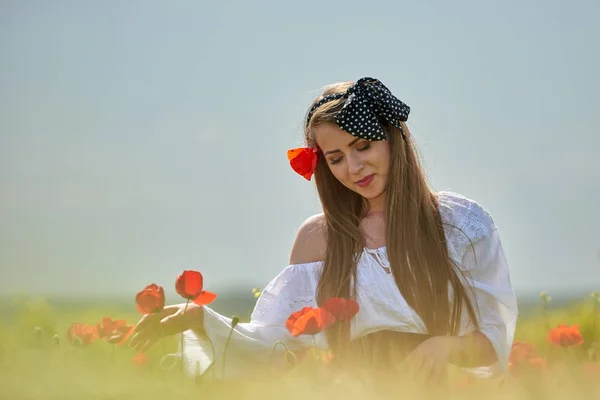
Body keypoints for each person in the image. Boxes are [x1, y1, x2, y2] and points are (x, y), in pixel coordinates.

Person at [130, 77, 518, 387]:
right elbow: (277, 347)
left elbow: (493, 342)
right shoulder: (318, 239)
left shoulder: (459, 224)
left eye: (362, 146)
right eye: (336, 158)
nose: (353, 167)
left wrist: (441, 347)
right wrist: (201, 318)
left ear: (393, 138)